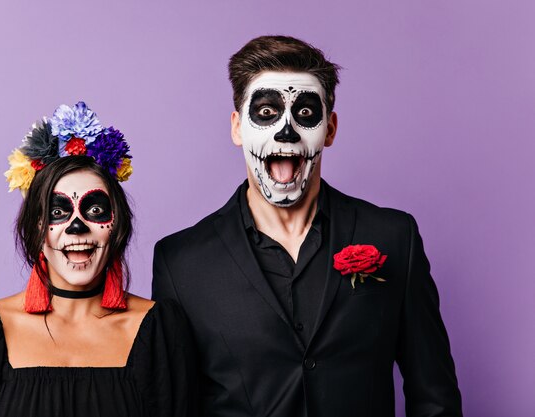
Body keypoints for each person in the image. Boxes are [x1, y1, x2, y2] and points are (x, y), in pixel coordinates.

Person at [152, 36, 462, 417]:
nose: (286, 132)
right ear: (237, 128)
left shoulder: (394, 238)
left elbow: (434, 397)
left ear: (329, 129)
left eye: (305, 113)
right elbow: (172, 403)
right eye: (266, 113)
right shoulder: (180, 262)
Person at [0, 102, 197, 417]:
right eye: (58, 212)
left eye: (94, 210)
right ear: (36, 225)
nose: (77, 227)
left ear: (115, 223)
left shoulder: (159, 330)